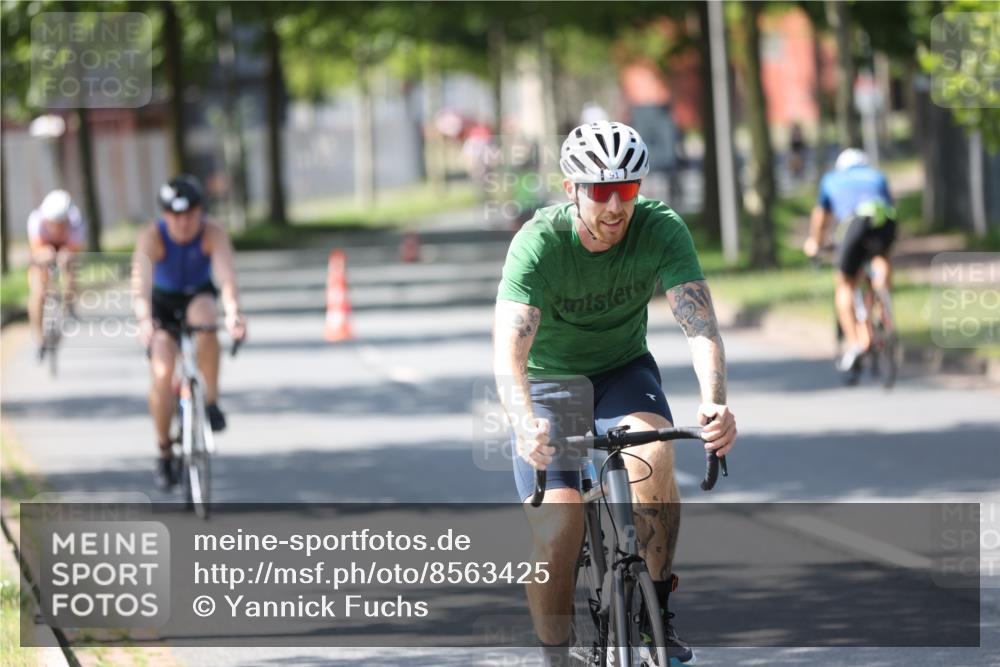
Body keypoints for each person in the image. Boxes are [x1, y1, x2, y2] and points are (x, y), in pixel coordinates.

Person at [493, 120, 737, 666]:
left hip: (623, 370)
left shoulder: (661, 228)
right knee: (559, 528)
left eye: (625, 189)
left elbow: (700, 327)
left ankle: (656, 613)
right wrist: (524, 420)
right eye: (600, 191)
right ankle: (555, 657)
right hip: (548, 384)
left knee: (656, 455)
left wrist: (714, 401)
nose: (614, 206)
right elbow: (508, 354)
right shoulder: (537, 244)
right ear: (571, 189)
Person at [131, 175, 247, 490]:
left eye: (190, 215)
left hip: (198, 295)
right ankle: (164, 451)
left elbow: (226, 277)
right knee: (162, 370)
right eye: (175, 216)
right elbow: (140, 285)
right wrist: (144, 319)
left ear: (201, 212)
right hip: (162, 304)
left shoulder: (213, 233)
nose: (183, 223)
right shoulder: (152, 237)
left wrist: (233, 312)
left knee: (207, 321)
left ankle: (211, 401)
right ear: (164, 215)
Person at [803, 148, 897, 373]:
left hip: (855, 224)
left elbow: (820, 217)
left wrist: (815, 242)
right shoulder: (877, 176)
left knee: (845, 284)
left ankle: (856, 343)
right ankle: (883, 296)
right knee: (880, 257)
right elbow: (890, 205)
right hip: (884, 222)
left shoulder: (831, 180)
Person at [26, 189, 85, 360]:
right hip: (44, 247)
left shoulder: (76, 221)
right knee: (37, 291)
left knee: (69, 266)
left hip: (65, 246)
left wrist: (66, 256)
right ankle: (39, 339)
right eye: (53, 223)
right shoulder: (36, 220)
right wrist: (46, 256)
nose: (57, 227)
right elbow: (37, 251)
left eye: (61, 223)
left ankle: (69, 304)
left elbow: (73, 249)